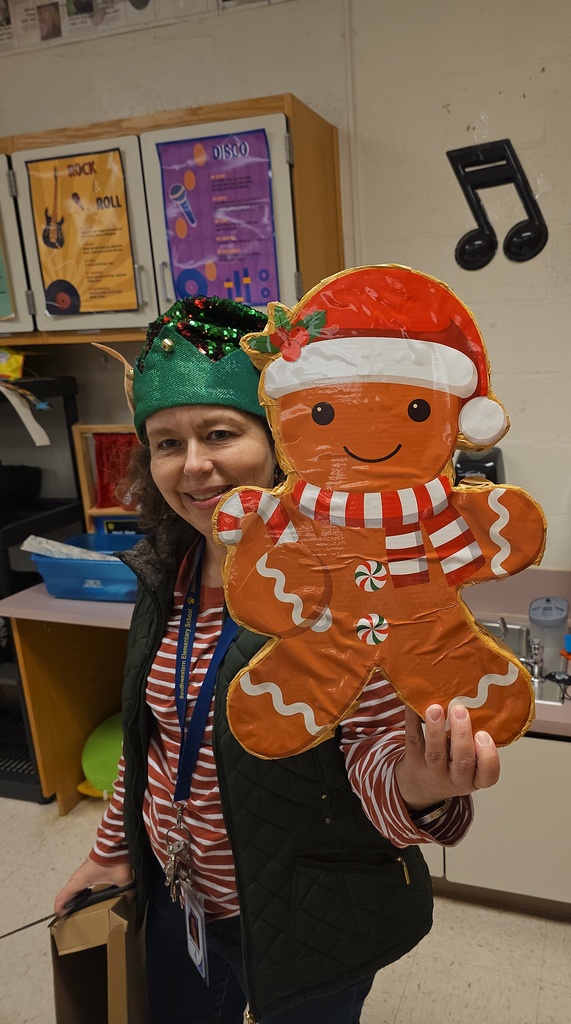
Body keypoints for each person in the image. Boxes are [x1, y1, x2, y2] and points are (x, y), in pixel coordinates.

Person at [54, 295, 502, 1024]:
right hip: (177, 900)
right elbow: (152, 741)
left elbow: (377, 770)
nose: (193, 466)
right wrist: (114, 853)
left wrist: (420, 783)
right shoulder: (166, 570)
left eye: (220, 433)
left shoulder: (350, 586)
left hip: (305, 919)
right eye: (166, 443)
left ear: (281, 442)